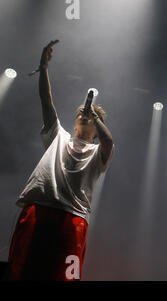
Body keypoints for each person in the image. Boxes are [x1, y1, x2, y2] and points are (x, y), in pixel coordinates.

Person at [8, 40, 114, 280]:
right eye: (82, 113)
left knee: (64, 276)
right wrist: (43, 66)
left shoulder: (98, 153)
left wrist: (94, 114)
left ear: (97, 127)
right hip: (39, 210)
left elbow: (109, 142)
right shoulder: (59, 136)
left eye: (91, 116)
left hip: (73, 218)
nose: (84, 114)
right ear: (76, 121)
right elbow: (46, 99)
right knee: (23, 270)